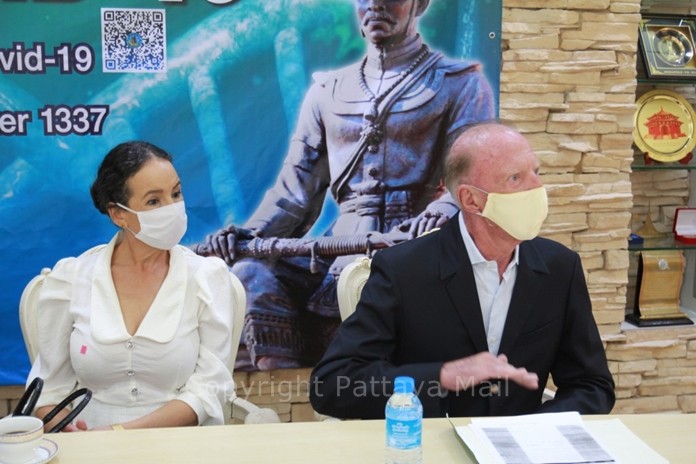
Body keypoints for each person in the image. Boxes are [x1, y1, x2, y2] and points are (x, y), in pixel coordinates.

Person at [202, 0, 495, 370]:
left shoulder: (461, 83)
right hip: (338, 247)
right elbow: (294, 192)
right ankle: (289, 392)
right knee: (252, 275)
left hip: (415, 243)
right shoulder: (327, 91)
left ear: (419, 3)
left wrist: (442, 210)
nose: (375, 6)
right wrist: (248, 237)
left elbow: (472, 175)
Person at [309, 123, 616, 419]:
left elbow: (592, 386)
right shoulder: (402, 270)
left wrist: (536, 428)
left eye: (536, 172)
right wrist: (443, 376)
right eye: (515, 178)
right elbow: (332, 385)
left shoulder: (560, 267)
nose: (537, 188)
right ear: (472, 200)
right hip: (430, 444)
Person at [27, 141, 235, 431]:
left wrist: (121, 433)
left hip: (180, 443)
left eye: (176, 194)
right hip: (87, 447)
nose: (173, 208)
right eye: (154, 201)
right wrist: (69, 432)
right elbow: (48, 391)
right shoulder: (71, 280)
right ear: (118, 214)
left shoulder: (205, 277)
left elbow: (211, 387)